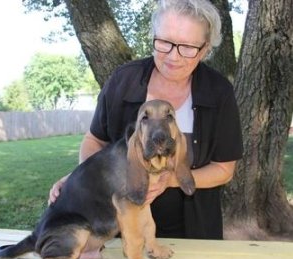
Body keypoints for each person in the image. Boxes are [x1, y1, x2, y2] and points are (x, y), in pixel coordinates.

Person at [49, 0, 243, 239]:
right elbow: (94, 141)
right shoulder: (123, 81)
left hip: (193, 228)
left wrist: (169, 179)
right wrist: (81, 181)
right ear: (153, 37)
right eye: (164, 42)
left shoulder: (218, 92)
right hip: (119, 228)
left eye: (188, 47)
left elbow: (224, 169)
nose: (173, 56)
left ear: (205, 50)